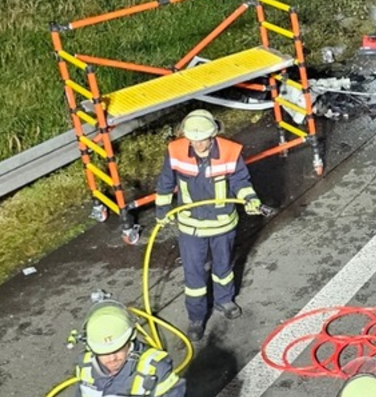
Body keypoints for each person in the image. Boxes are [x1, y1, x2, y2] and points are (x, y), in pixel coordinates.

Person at [155, 109, 264, 341]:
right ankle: (196, 318)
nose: (198, 144)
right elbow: (166, 182)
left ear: (213, 135)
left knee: (223, 268)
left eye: (203, 139)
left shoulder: (230, 152)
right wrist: (162, 210)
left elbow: (240, 181)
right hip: (191, 227)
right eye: (193, 140)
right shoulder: (175, 151)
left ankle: (225, 300)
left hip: (222, 225)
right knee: (194, 275)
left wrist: (250, 198)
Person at [74, 300, 185, 396]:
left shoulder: (156, 370)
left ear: (130, 341)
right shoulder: (85, 365)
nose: (112, 358)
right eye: (104, 353)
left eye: (118, 349)